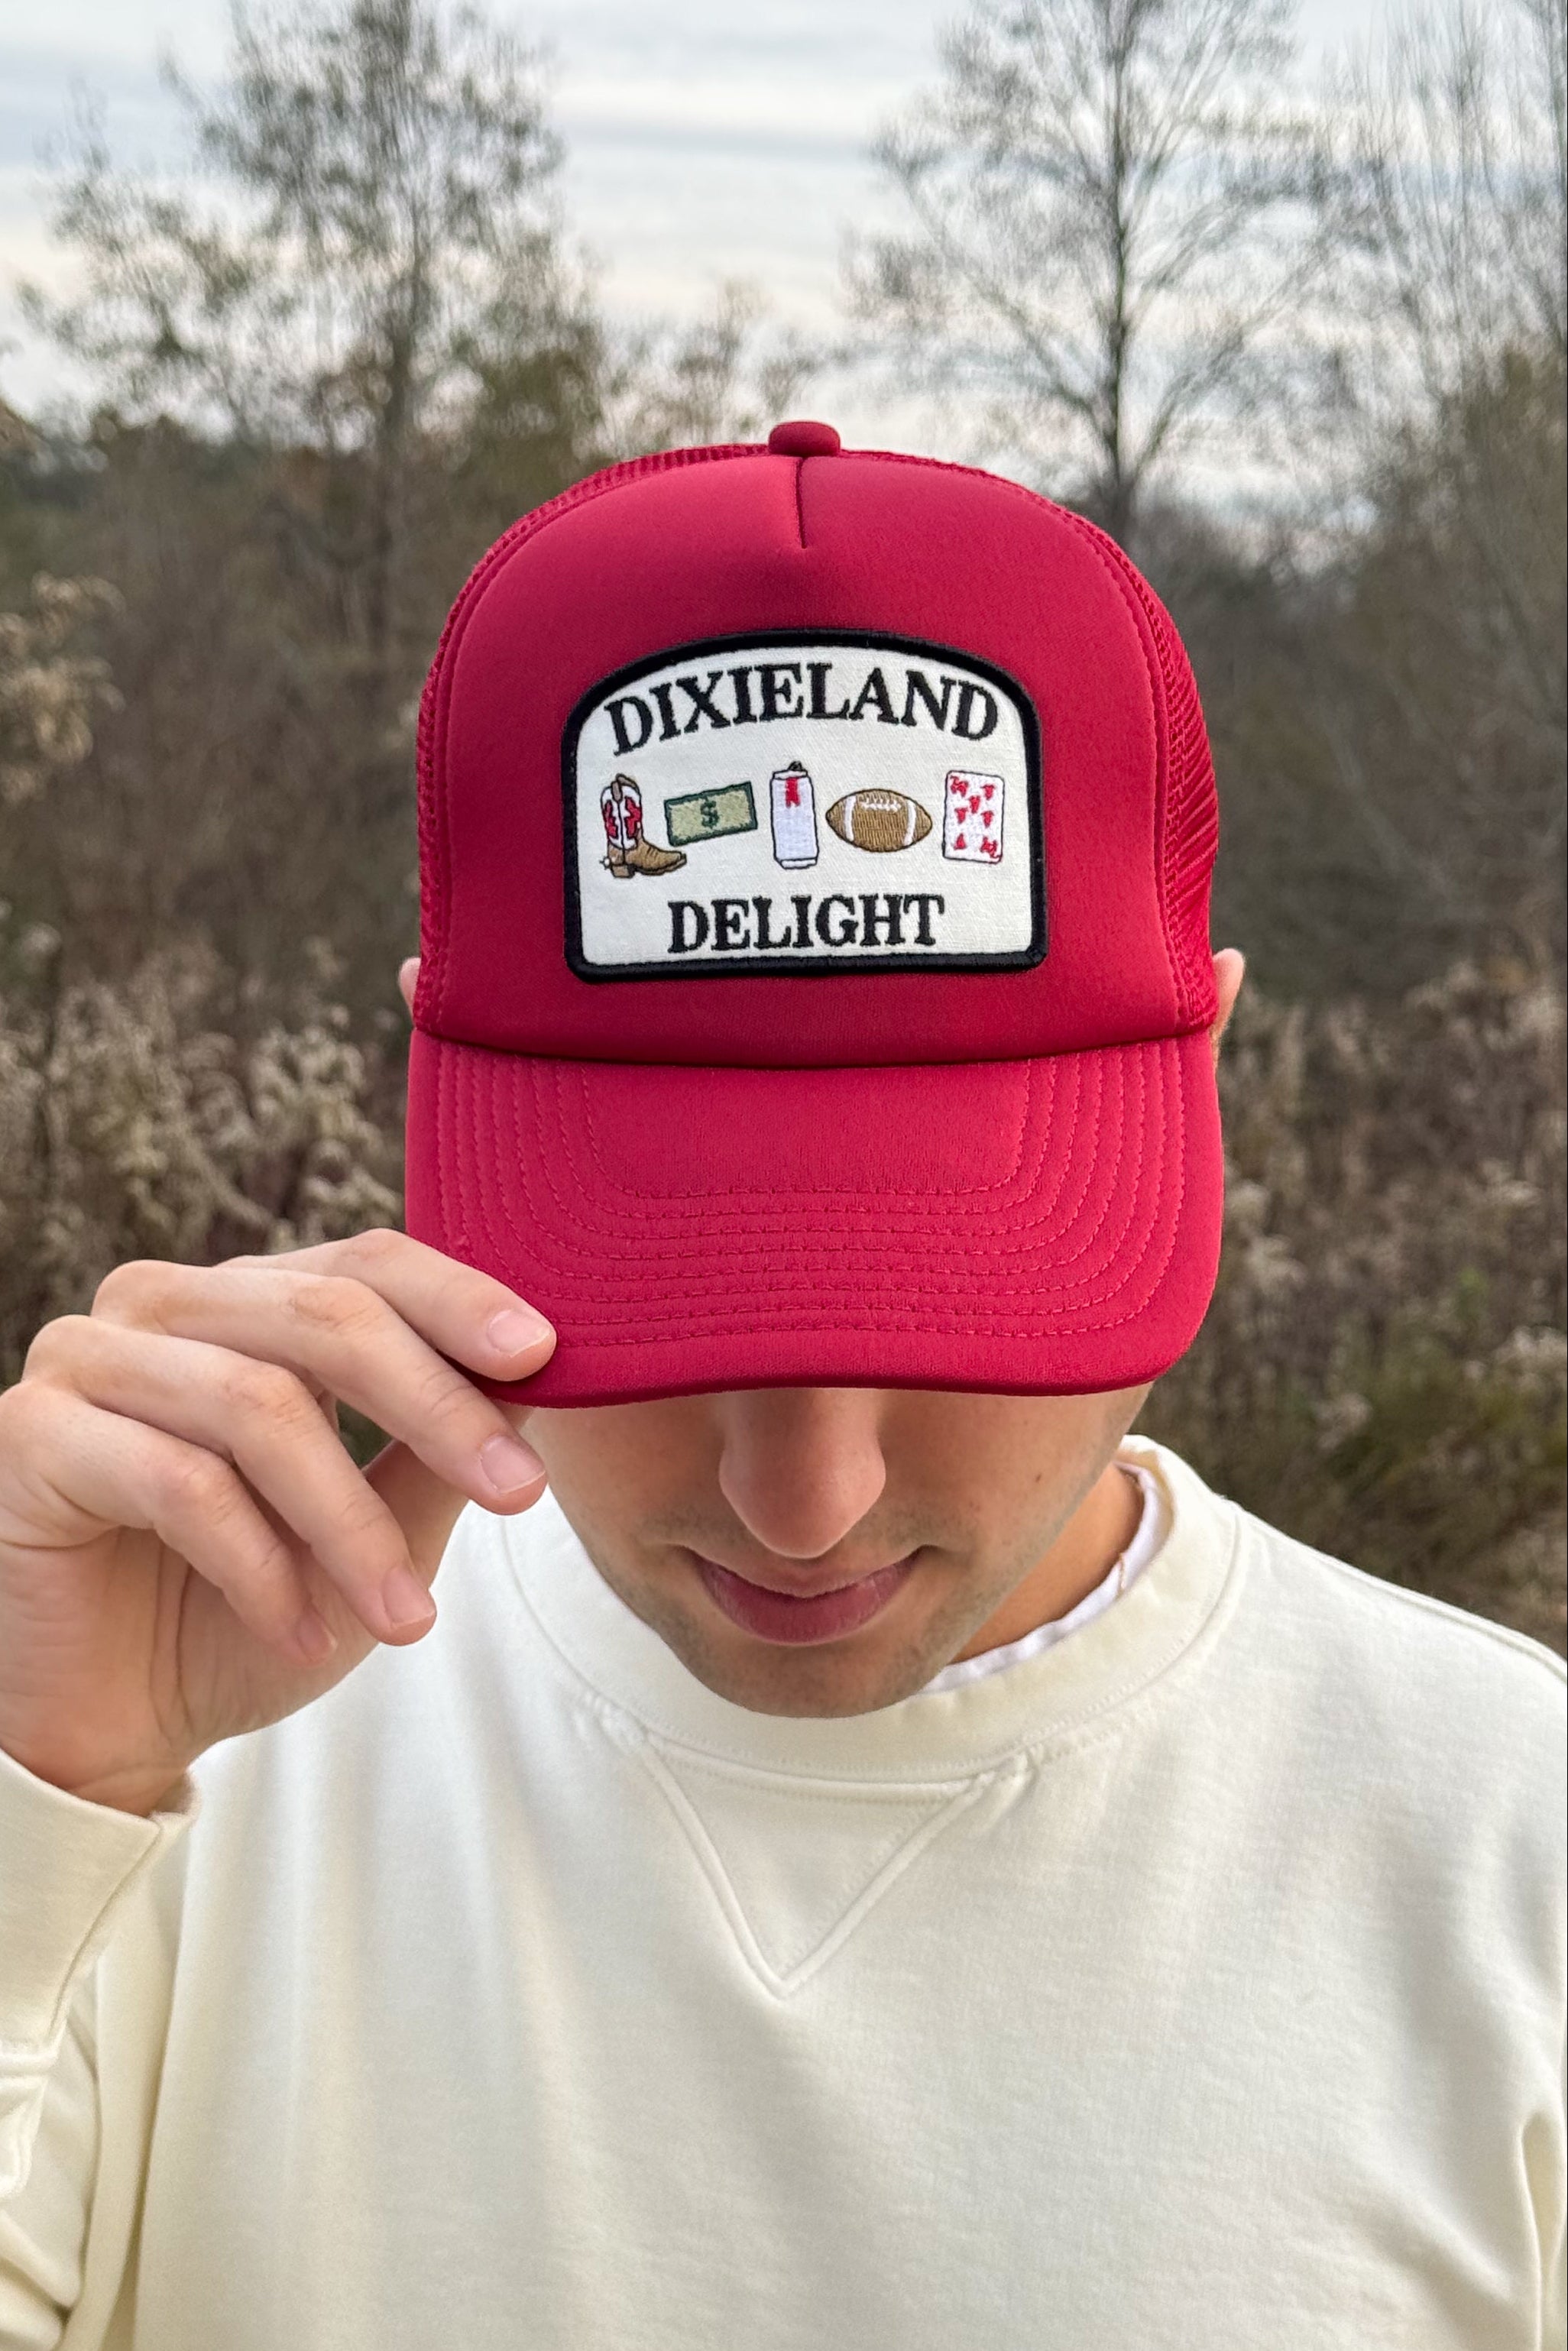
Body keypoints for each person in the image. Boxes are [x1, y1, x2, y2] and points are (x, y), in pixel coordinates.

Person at [0, 424, 1560, 2351]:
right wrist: (44, 1800)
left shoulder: (1510, 1847)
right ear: (430, 1063)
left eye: (953, 1294)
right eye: (668, 1304)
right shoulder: (179, 1773)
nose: (801, 1502)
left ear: (1212, 1058)